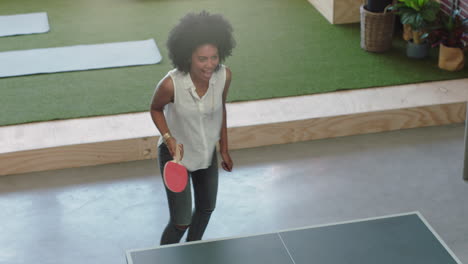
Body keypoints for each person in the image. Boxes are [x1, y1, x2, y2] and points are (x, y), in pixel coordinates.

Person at [150, 11, 236, 245]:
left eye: (214, 57)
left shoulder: (224, 76)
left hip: (206, 151)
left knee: (206, 208)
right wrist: (168, 139)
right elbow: (155, 109)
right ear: (188, 57)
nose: (210, 65)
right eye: (202, 59)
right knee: (180, 222)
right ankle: (164, 257)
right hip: (175, 153)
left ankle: (192, 249)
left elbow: (221, 109)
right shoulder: (171, 84)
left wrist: (224, 149)